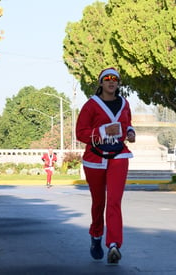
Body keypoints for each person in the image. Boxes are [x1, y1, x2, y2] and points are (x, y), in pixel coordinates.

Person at [76, 67, 136, 264]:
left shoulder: (124, 104)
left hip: (119, 155)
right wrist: (102, 131)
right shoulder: (90, 105)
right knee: (99, 203)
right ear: (101, 83)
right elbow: (80, 133)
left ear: (118, 84)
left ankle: (114, 244)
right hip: (95, 158)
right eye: (107, 79)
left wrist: (130, 133)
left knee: (114, 201)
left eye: (115, 79)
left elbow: (127, 124)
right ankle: (96, 236)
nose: (112, 82)